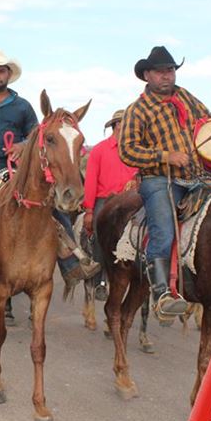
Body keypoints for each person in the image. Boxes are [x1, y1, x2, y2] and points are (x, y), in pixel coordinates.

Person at [0, 49, 98, 324]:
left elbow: (38, 137)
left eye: (1, 70)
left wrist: (21, 145)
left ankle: (71, 261)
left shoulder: (23, 107)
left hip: (14, 169)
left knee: (50, 204)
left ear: (8, 75)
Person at [119, 46, 211, 317]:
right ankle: (162, 292)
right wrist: (166, 156)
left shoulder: (185, 97)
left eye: (171, 70)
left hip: (197, 175)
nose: (167, 76)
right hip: (160, 179)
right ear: (147, 75)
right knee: (163, 226)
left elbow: (210, 122)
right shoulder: (137, 110)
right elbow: (126, 150)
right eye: (161, 71)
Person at [82, 109, 137, 301]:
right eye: (125, 123)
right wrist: (89, 209)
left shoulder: (136, 151)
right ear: (117, 125)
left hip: (130, 200)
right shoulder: (99, 150)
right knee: (99, 232)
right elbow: (90, 180)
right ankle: (99, 278)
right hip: (105, 200)